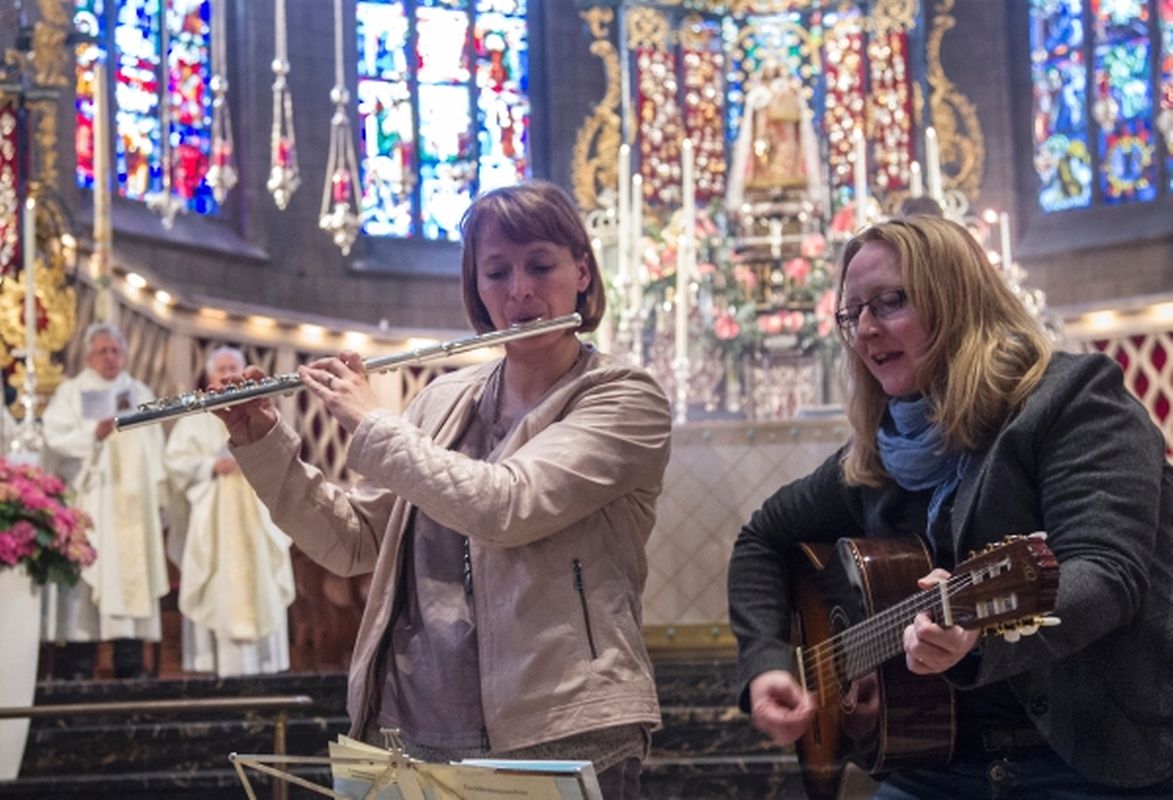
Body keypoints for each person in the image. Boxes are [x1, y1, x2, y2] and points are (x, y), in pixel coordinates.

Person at [215, 180, 671, 798]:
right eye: (495, 273)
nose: (519, 291)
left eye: (540, 265)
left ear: (582, 272)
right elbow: (356, 541)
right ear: (476, 288)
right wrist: (266, 445)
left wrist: (370, 422)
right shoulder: (441, 399)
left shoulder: (623, 398)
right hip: (409, 730)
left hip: (560, 730)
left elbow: (507, 505)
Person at [728, 215, 1173, 797]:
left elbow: (1106, 573)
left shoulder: (1074, 402)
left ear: (957, 301)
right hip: (930, 767)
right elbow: (762, 539)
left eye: (887, 303)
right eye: (851, 312)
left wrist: (979, 632)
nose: (864, 330)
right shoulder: (881, 455)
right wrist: (768, 662)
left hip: (1089, 760)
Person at [42, 322, 169, 680]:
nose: (110, 357)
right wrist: (92, 434)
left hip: (132, 502)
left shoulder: (138, 391)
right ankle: (80, 663)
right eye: (103, 351)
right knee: (88, 577)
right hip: (92, 498)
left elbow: (154, 443)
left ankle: (129, 659)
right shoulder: (72, 392)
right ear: (88, 356)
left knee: (130, 576)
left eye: (116, 350)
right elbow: (54, 437)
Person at [164, 346, 295, 677]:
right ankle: (215, 669)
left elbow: (285, 457)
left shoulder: (263, 414)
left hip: (255, 518)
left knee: (261, 578)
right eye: (219, 368)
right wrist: (210, 466)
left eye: (231, 367)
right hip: (215, 522)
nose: (225, 374)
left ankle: (264, 668)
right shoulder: (194, 418)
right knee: (216, 582)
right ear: (208, 376)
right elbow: (176, 463)